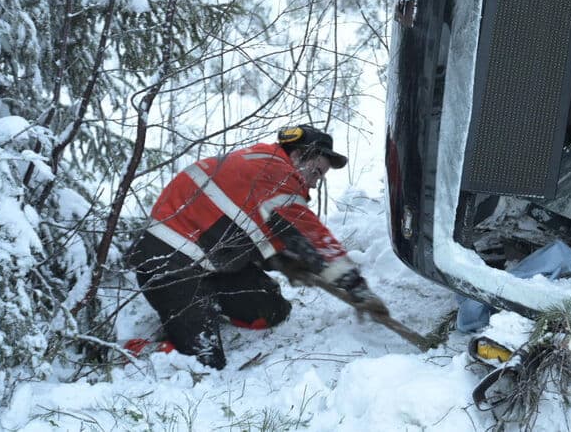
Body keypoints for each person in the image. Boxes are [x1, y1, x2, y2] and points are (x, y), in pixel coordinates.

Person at [125, 124, 381, 369]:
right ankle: (146, 350)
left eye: (321, 177)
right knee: (206, 362)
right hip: (169, 268)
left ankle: (203, 308)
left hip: (206, 264)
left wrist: (286, 261)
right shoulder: (275, 175)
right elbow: (313, 239)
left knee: (272, 310)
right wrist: (356, 288)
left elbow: (247, 230)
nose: (315, 182)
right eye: (316, 172)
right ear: (297, 155)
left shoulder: (261, 166)